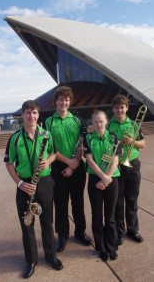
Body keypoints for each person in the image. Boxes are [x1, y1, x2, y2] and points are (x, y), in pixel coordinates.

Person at [4, 100, 63, 279]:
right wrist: (19, 183)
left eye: (35, 113)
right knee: (27, 223)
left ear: (38, 115)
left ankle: (51, 256)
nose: (32, 116)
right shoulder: (15, 138)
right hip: (24, 184)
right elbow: (8, 163)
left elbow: (54, 153)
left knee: (47, 221)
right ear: (23, 115)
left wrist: (49, 161)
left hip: (44, 181)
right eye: (28, 113)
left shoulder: (46, 134)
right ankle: (31, 260)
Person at [44, 85, 91, 252]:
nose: (64, 102)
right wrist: (67, 162)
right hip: (57, 166)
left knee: (78, 201)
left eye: (67, 99)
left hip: (77, 166)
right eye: (61, 99)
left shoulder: (78, 120)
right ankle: (62, 235)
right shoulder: (48, 122)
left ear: (70, 101)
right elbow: (50, 148)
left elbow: (82, 144)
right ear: (55, 101)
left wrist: (74, 163)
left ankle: (80, 232)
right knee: (61, 202)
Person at [107, 94, 145, 245]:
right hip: (117, 166)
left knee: (132, 199)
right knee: (118, 201)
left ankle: (133, 230)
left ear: (127, 108)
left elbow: (143, 144)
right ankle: (120, 232)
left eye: (122, 107)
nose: (119, 110)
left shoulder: (134, 124)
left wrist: (132, 141)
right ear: (113, 109)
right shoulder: (109, 125)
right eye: (116, 108)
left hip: (133, 164)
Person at [84, 110, 121, 261]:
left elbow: (116, 160)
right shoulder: (88, 138)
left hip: (112, 179)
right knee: (97, 215)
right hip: (95, 180)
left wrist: (107, 178)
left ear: (106, 121)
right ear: (92, 123)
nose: (98, 125)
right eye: (95, 122)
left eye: (101, 121)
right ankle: (101, 247)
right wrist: (102, 177)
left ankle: (111, 245)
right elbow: (90, 161)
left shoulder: (113, 137)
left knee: (110, 215)